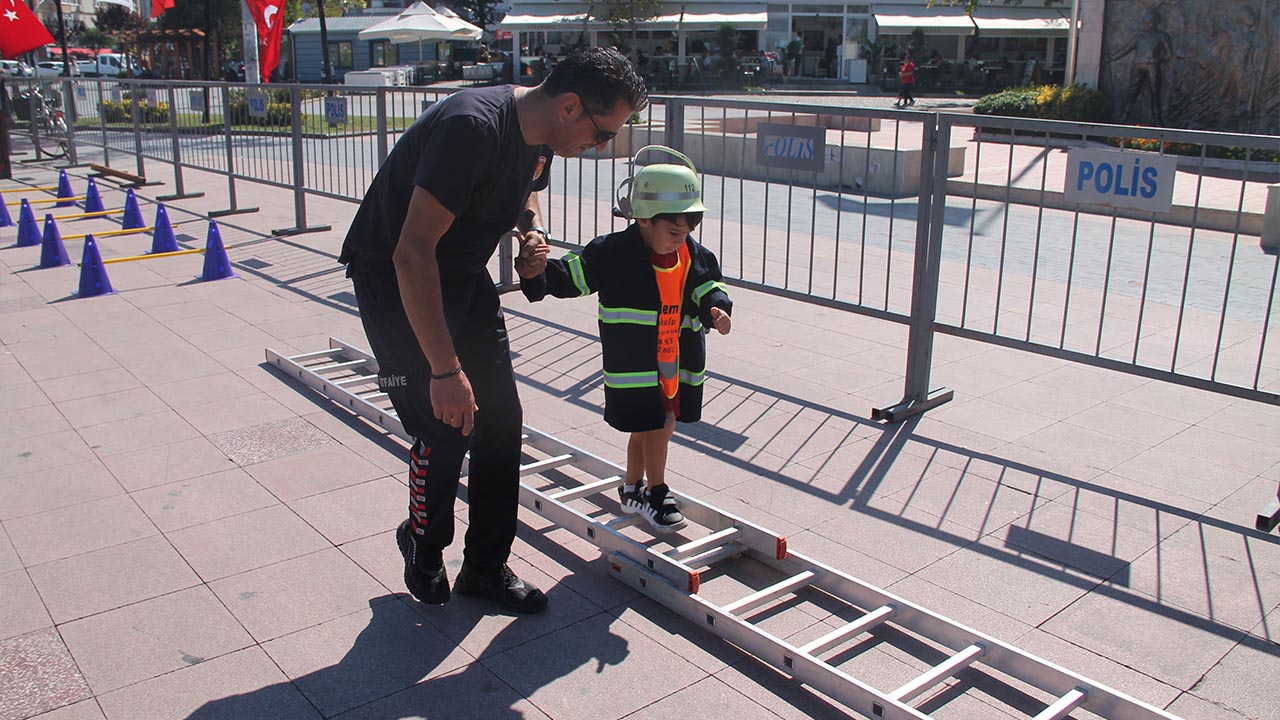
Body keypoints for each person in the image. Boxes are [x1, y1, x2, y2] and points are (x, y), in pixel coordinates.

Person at [338, 48, 647, 614]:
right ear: (571, 106)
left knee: (502, 424)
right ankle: (424, 543)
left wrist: (529, 230)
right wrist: (444, 370)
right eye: (603, 134)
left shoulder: (542, 134)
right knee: (446, 424)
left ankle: (485, 569)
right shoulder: (471, 128)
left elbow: (525, 181)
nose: (602, 148)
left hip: (458, 277)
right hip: (394, 279)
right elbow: (411, 254)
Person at [516, 146, 733, 531]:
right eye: (672, 231)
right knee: (660, 424)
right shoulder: (613, 253)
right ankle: (657, 492)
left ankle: (632, 489)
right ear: (644, 219)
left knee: (647, 425)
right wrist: (538, 272)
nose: (680, 239)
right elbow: (572, 276)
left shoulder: (692, 254)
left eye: (686, 231)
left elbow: (705, 285)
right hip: (635, 361)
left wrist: (715, 307)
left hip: (673, 358)